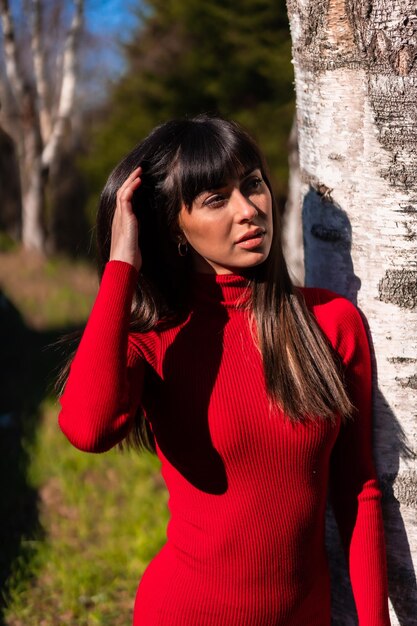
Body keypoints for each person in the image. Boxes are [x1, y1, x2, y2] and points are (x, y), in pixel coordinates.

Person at [58, 114, 391, 625]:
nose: (248, 210)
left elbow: (358, 489)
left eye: (253, 184)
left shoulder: (331, 323)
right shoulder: (156, 339)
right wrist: (121, 267)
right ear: (175, 226)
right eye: (216, 198)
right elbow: (87, 428)